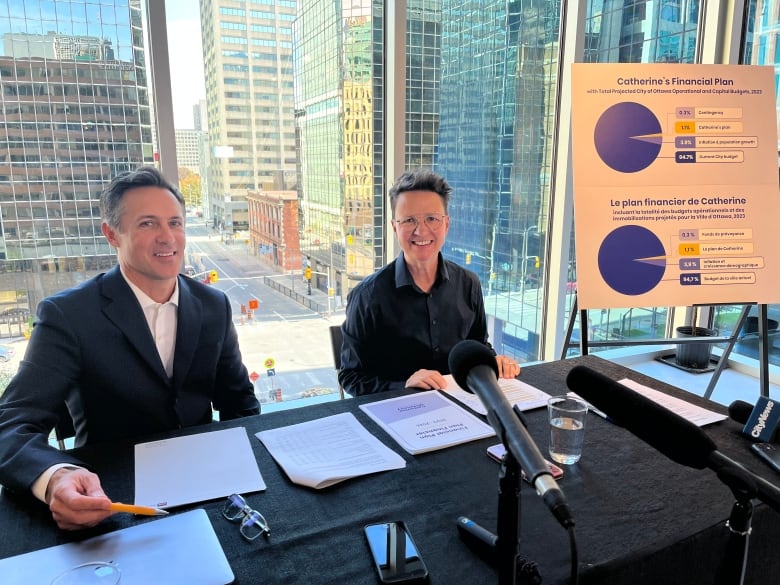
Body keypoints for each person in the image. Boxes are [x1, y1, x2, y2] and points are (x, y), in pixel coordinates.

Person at [0, 166, 260, 530]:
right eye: (147, 224)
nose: (168, 237)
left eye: (175, 222)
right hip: (112, 498)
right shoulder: (69, 315)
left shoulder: (213, 304)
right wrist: (56, 477)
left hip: (210, 489)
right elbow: (11, 424)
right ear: (112, 234)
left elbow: (239, 401)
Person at [338, 169, 521, 396]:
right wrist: (403, 385)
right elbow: (351, 377)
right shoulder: (367, 296)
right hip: (399, 413)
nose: (421, 230)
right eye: (409, 220)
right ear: (395, 227)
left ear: (447, 224)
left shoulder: (469, 284)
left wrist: (494, 361)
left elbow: (478, 346)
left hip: (462, 407)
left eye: (432, 219)